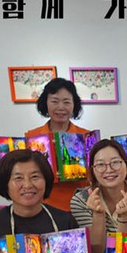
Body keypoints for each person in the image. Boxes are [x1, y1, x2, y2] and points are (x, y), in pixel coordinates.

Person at [26, 78, 91, 212]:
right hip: (43, 207)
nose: (61, 107)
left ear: (74, 104)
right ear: (45, 103)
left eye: (66, 102)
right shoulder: (32, 137)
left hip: (80, 207)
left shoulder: (87, 136)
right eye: (55, 101)